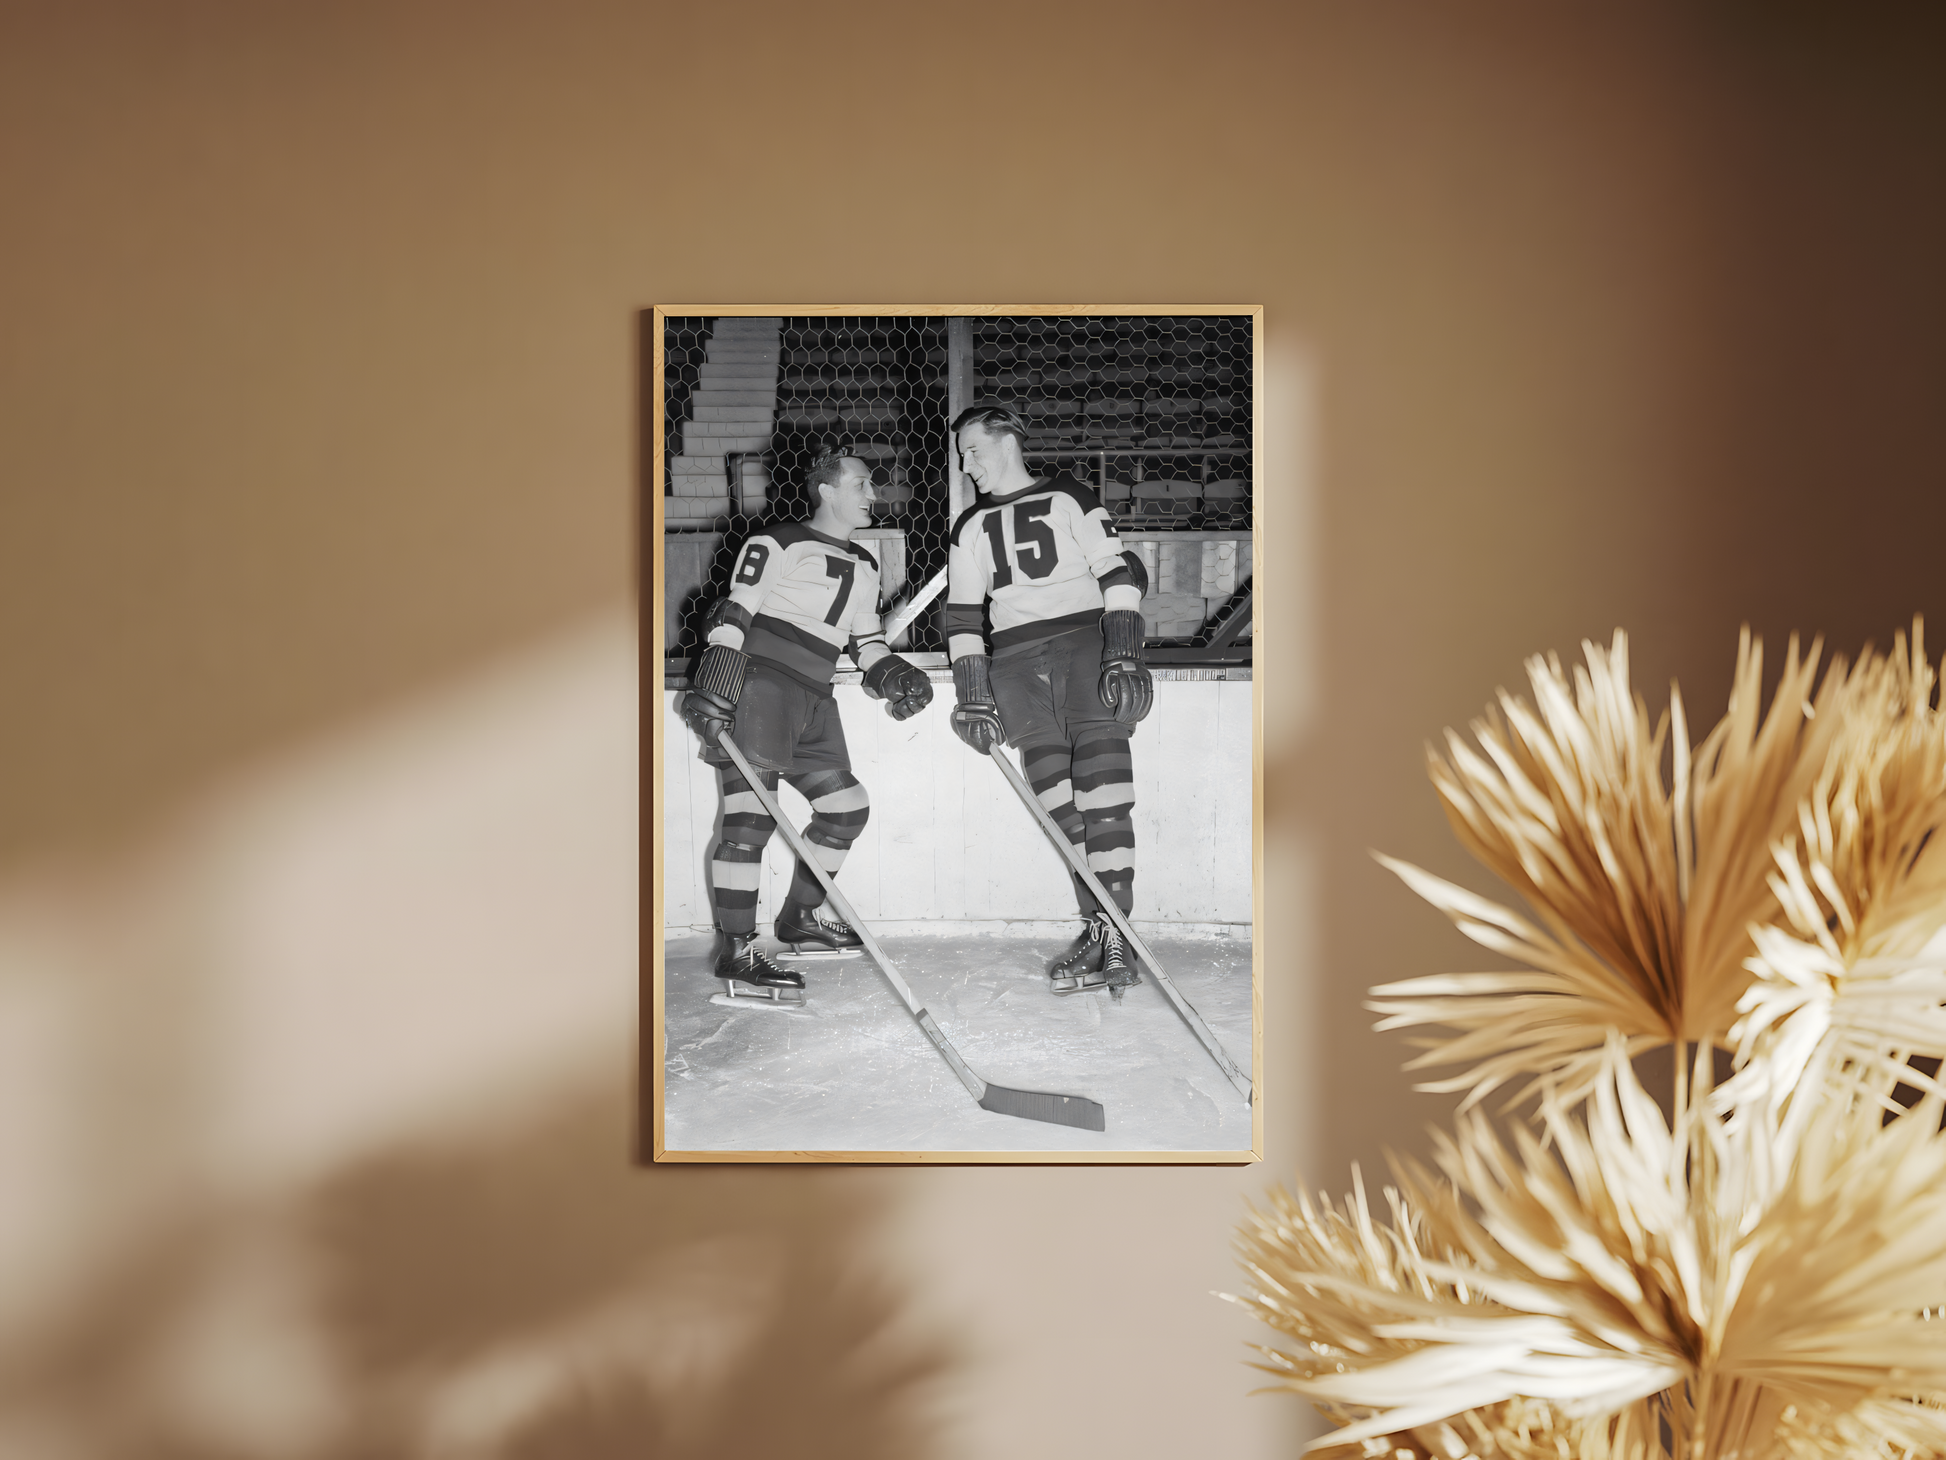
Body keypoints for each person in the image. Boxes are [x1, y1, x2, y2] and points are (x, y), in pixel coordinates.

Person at [681, 452, 934, 1003]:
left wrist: (893, 673)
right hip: (762, 687)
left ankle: (800, 918)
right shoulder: (778, 542)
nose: (874, 493)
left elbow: (866, 643)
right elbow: (735, 610)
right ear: (826, 490)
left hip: (816, 697)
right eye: (862, 483)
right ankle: (738, 949)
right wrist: (717, 679)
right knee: (748, 823)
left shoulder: (866, 565)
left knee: (846, 809)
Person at [943, 403, 1154, 996]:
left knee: (1104, 800)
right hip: (1013, 669)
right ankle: (1101, 929)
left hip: (1083, 649)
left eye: (973, 449)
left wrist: (1124, 650)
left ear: (1007, 441)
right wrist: (973, 691)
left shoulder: (1070, 495)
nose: (967, 464)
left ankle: (1118, 940)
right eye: (963, 454)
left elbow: (1117, 571)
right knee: (1064, 818)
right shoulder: (967, 526)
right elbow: (962, 614)